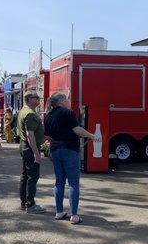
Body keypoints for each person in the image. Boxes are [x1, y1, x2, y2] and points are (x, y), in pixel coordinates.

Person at [44, 93, 95, 224]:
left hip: (55, 150)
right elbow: (78, 130)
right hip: (70, 150)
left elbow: (47, 137)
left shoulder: (48, 115)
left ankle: (59, 212)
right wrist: (92, 135)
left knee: (59, 182)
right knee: (73, 183)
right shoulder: (67, 113)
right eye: (67, 99)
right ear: (61, 101)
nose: (68, 101)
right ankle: (74, 215)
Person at [17, 91, 46, 214]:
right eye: (36, 97)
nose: (39, 99)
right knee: (32, 177)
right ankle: (30, 205)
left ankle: (24, 203)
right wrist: (36, 153)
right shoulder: (29, 114)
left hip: (25, 147)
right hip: (30, 148)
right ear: (29, 99)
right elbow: (30, 135)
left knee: (25, 176)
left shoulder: (24, 111)